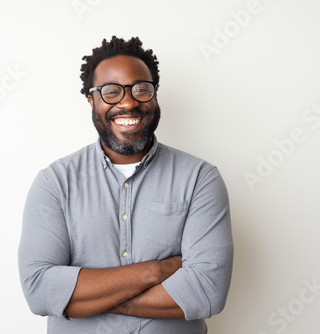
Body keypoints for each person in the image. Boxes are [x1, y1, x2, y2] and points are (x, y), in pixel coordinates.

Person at [18, 36, 233, 333]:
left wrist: (84, 298)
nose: (129, 102)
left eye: (141, 89)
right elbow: (40, 292)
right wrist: (157, 271)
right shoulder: (54, 183)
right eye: (111, 91)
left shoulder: (200, 179)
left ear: (155, 96)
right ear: (91, 100)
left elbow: (207, 291)